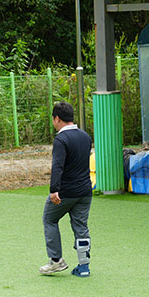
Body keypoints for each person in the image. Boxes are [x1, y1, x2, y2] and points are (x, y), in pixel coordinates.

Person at [39, 102, 93, 277]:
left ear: (57, 118)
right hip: (85, 191)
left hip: (66, 192)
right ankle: (84, 266)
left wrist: (54, 190)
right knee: (80, 226)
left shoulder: (61, 139)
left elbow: (58, 166)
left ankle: (56, 261)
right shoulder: (85, 136)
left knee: (49, 219)